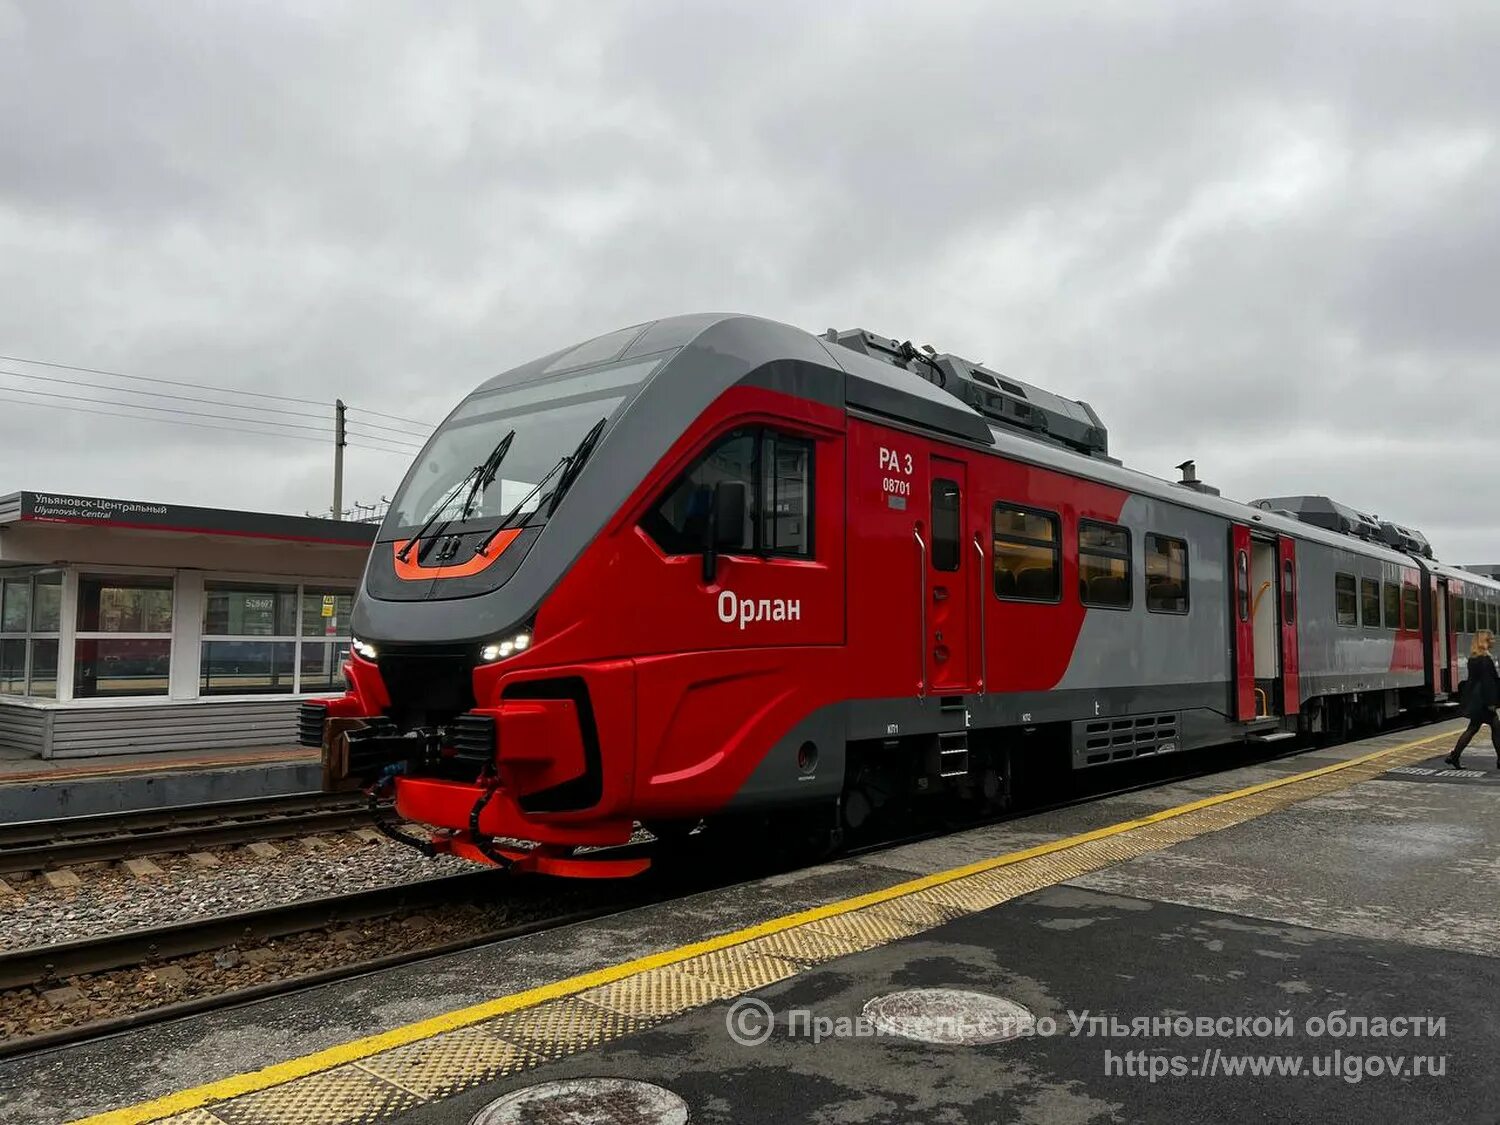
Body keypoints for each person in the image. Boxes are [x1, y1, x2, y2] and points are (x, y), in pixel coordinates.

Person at [1445, 629, 1500, 769]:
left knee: (1474, 728)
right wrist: (1491, 702)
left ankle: (1454, 756)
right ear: (1484, 641)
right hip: (1484, 701)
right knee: (1495, 727)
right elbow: (1488, 683)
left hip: (1476, 699)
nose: (1493, 641)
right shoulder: (1485, 660)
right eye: (1491, 639)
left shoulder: (1473, 658)